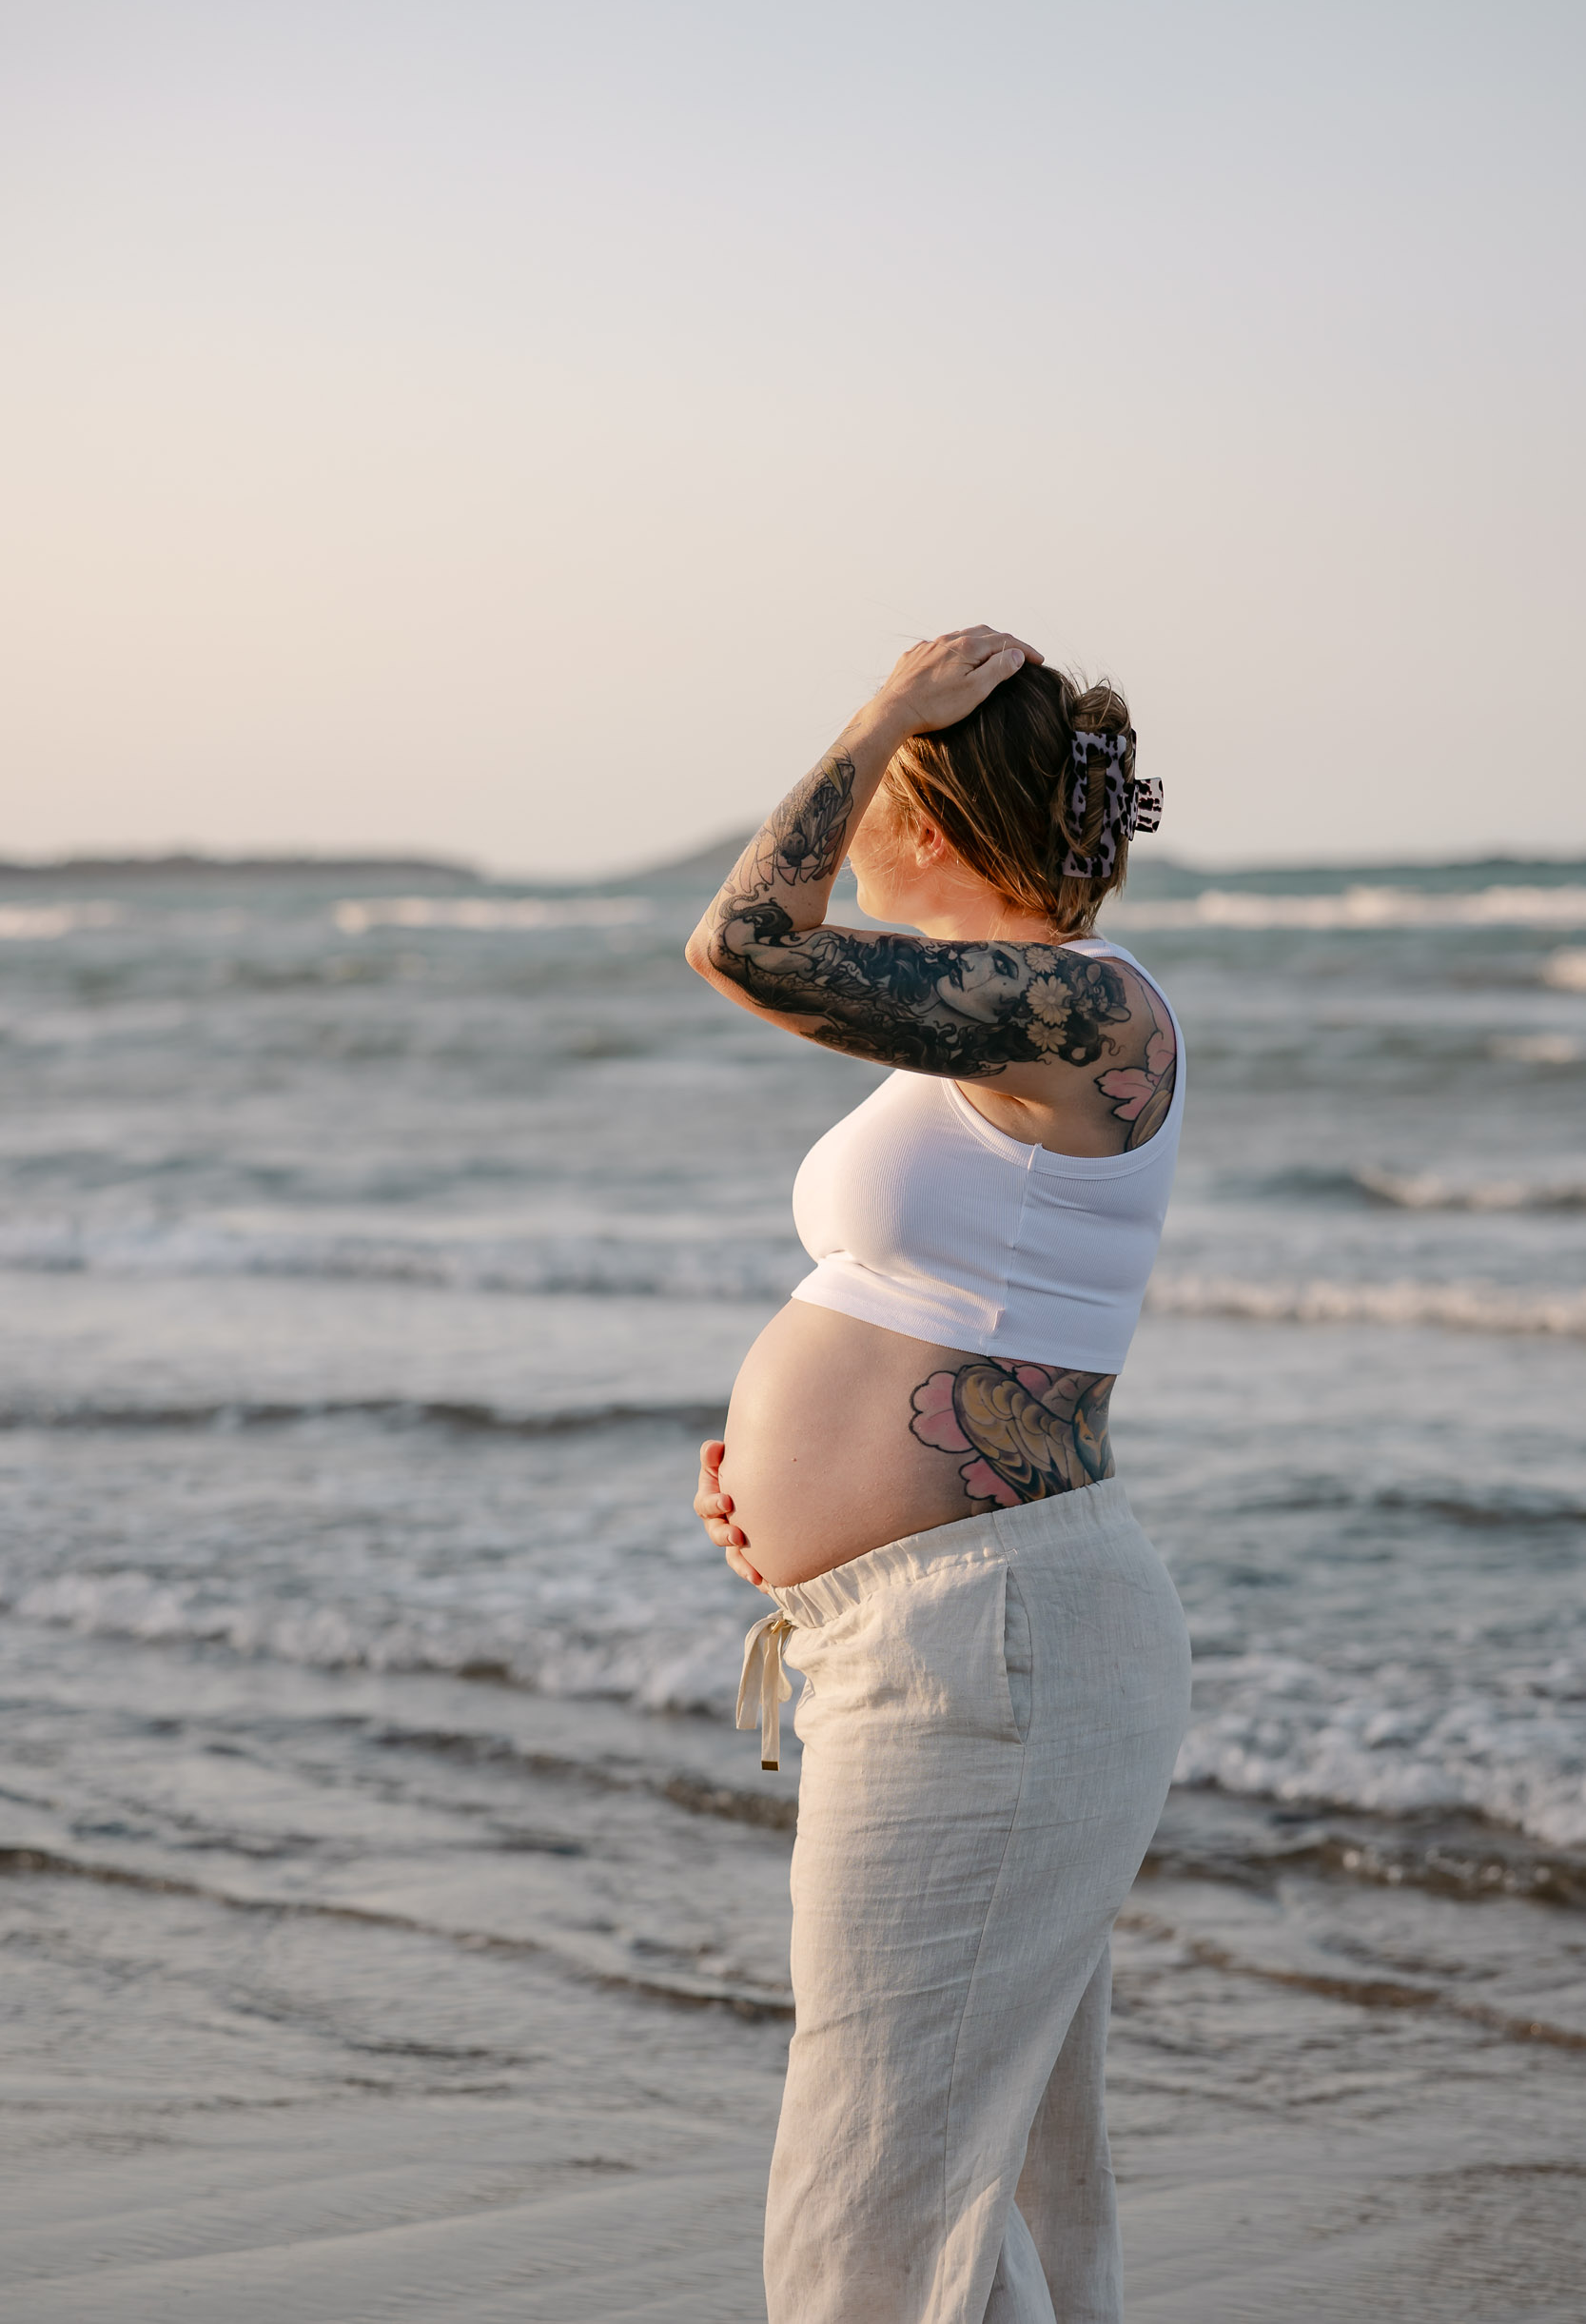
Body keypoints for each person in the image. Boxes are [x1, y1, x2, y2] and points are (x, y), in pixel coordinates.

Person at [684, 626, 1191, 2324]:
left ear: (936, 805)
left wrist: (881, 707)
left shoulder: (1089, 1004)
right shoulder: (982, 1040)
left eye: (894, 777)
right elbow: (936, 1309)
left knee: (877, 2220)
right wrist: (789, 1484)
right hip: (933, 1636)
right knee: (982, 2197)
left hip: (1001, 1649)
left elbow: (746, 940)